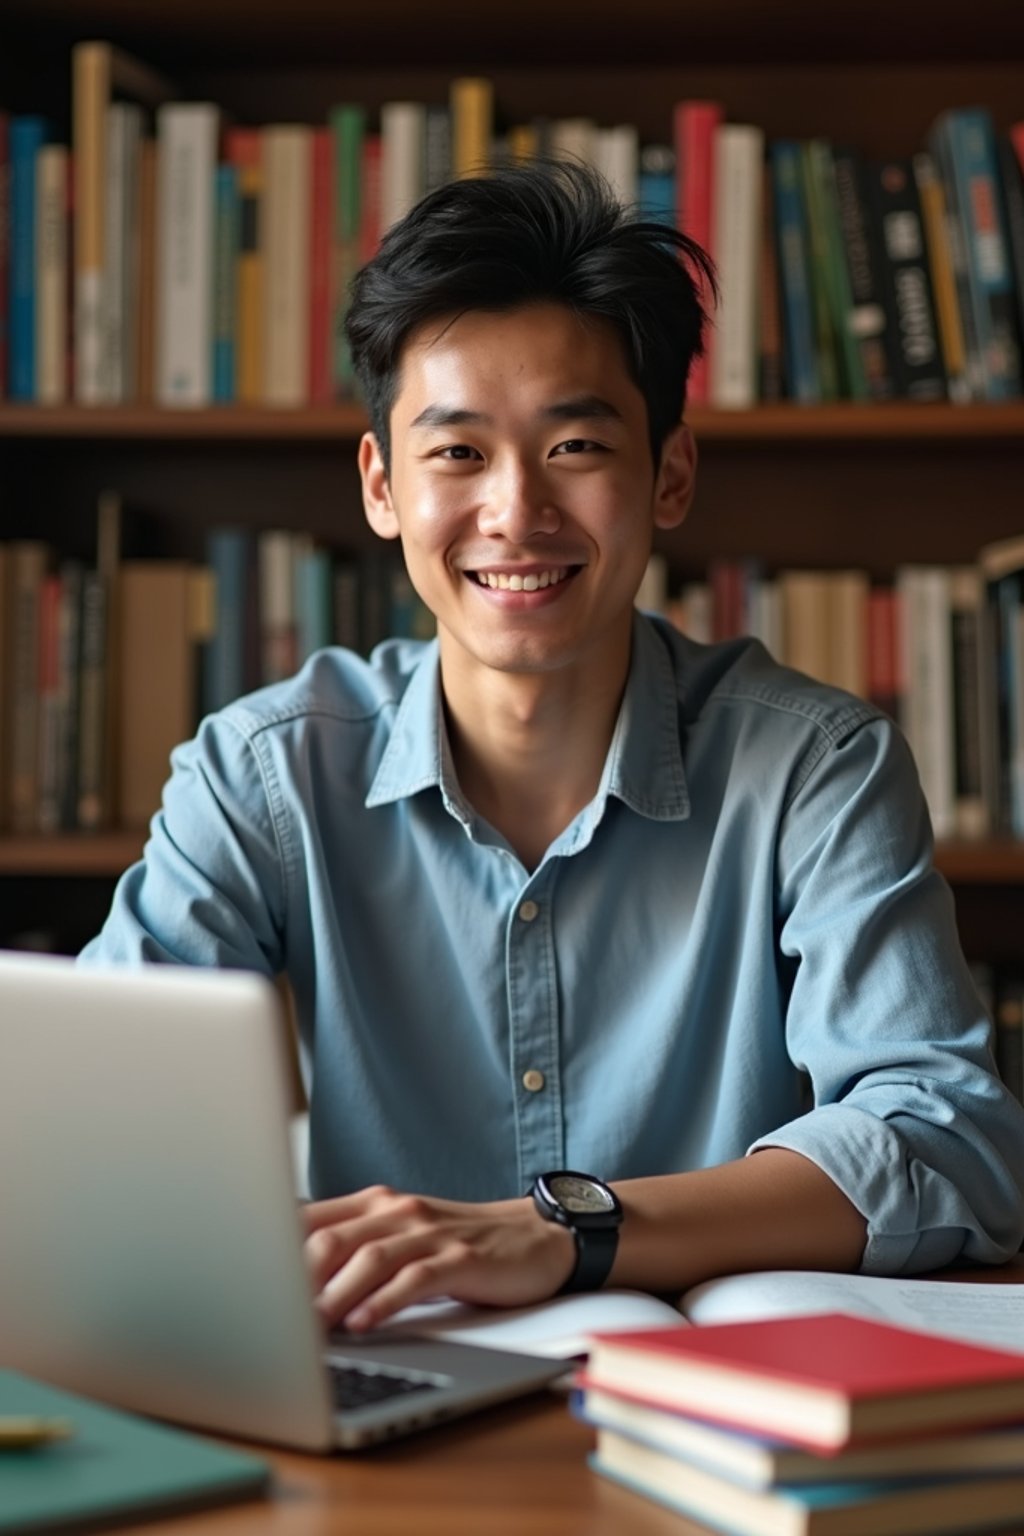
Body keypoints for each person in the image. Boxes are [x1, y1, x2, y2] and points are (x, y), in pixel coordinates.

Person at [81, 160, 1024, 1333]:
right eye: (458, 452)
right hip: (395, 1386)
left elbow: (943, 1135)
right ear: (381, 486)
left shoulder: (813, 768)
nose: (515, 513)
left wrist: (564, 1230)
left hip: (722, 1413)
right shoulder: (263, 775)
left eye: (574, 447)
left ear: (668, 474)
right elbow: (93, 1120)